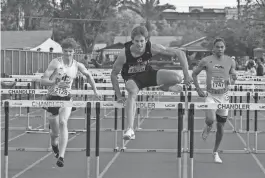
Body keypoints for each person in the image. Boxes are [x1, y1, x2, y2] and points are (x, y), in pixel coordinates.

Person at [111, 25, 193, 140]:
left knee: (177, 78)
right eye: (136, 41)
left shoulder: (153, 48)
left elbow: (180, 53)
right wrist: (119, 96)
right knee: (131, 90)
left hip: (148, 74)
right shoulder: (124, 54)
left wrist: (186, 74)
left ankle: (165, 87)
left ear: (146, 40)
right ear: (132, 40)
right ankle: (130, 129)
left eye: (142, 41)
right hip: (133, 78)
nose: (139, 44)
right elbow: (113, 74)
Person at [40, 38, 101, 167]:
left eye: (70, 51)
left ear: (74, 52)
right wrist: (53, 82)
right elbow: (43, 81)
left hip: (66, 98)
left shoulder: (77, 65)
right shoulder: (55, 63)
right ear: (62, 51)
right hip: (52, 99)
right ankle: (54, 145)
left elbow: (89, 76)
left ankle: (61, 156)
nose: (68, 54)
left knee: (63, 122)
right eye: (66, 51)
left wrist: (95, 91)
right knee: (54, 133)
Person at [192, 38, 237, 163]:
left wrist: (233, 79)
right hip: (211, 96)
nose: (220, 49)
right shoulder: (206, 60)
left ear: (225, 48)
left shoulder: (230, 61)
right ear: (213, 48)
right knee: (211, 119)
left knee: (221, 127)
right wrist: (198, 89)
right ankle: (208, 125)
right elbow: (194, 74)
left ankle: (215, 152)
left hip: (224, 97)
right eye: (217, 47)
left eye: (222, 47)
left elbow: (233, 76)